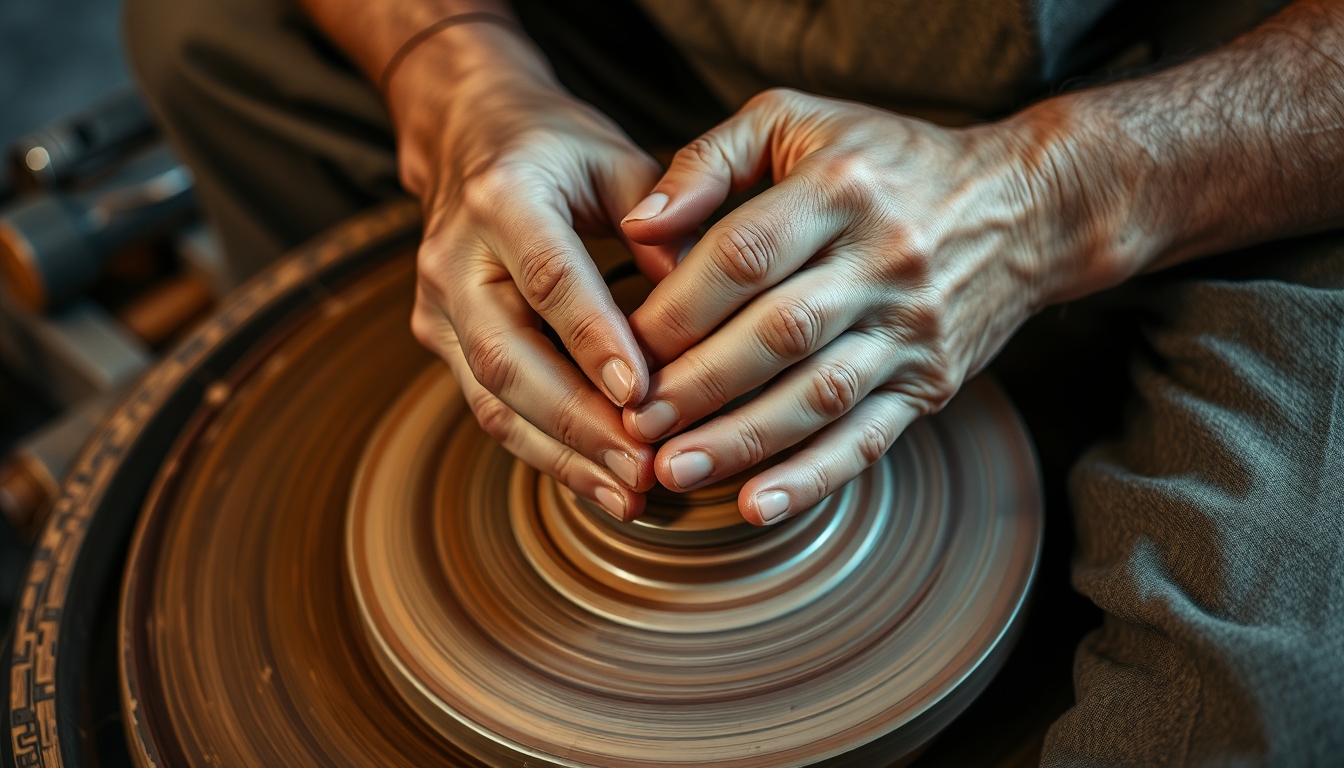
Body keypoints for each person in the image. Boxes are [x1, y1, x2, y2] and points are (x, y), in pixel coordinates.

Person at [124, 0, 1344, 764]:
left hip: (1194, 119)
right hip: (681, 48)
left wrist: (1047, 197)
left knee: (1235, 709)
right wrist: (456, 71)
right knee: (208, 28)